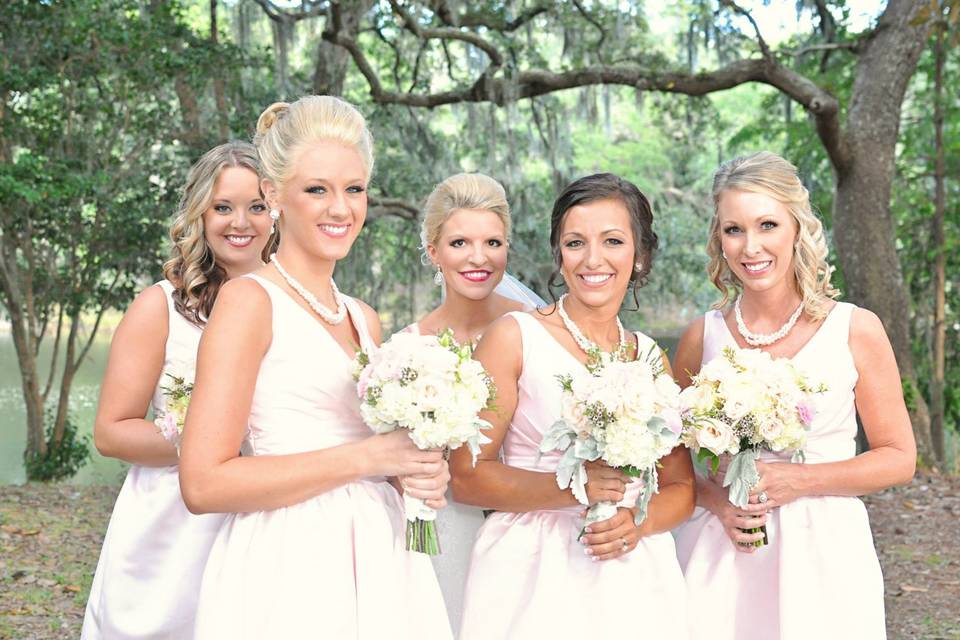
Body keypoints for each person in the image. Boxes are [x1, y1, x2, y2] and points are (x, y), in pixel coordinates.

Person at [178, 95, 452, 639]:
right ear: (273, 195)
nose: (341, 208)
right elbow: (203, 483)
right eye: (317, 190)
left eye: (354, 189)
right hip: (289, 566)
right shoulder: (249, 302)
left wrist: (410, 473)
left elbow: (372, 458)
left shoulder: (364, 319)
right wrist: (371, 455)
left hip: (379, 560)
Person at [671, 151, 916, 640]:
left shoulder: (854, 328)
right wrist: (716, 501)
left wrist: (797, 480)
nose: (750, 246)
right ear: (718, 239)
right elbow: (671, 461)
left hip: (824, 550)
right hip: (724, 547)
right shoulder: (704, 336)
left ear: (797, 228)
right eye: (733, 230)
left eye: (767, 225)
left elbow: (898, 459)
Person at [453, 173, 694, 639]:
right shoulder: (514, 338)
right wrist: (576, 488)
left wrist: (636, 524)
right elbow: (466, 475)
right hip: (531, 571)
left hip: (633, 572)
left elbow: (681, 486)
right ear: (559, 255)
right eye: (576, 242)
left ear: (639, 256)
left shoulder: (650, 358)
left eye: (613, 241)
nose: (593, 259)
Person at [82, 141, 275, 639]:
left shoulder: (297, 307)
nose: (241, 222)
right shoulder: (160, 307)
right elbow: (112, 432)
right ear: (199, 214)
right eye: (223, 207)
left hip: (267, 517)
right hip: (172, 528)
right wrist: (211, 441)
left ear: (277, 210)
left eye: (257, 206)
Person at [404, 172, 539, 629]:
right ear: (433, 250)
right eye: (460, 243)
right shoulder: (407, 350)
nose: (479, 258)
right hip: (447, 529)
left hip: (531, 522)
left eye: (493, 243)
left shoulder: (537, 331)